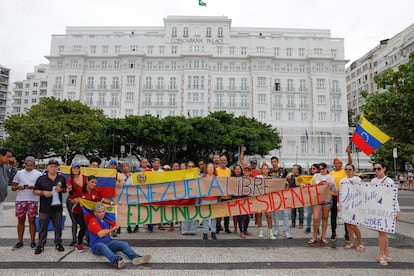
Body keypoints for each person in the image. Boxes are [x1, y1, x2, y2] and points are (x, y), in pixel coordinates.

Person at [88, 203, 151, 269]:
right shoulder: (93, 221)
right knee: (102, 246)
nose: (102, 213)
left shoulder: (106, 220)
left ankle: (135, 258)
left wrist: (114, 228)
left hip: (108, 241)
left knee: (123, 244)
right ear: (95, 213)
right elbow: (100, 234)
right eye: (99, 212)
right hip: (96, 245)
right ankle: (117, 261)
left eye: (103, 211)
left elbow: (110, 231)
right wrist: (112, 229)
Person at [33, 159, 69, 254]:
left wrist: (61, 189)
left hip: (57, 208)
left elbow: (65, 189)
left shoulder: (61, 178)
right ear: (48, 167)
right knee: (43, 227)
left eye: (55, 166)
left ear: (58, 168)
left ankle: (58, 243)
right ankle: (41, 245)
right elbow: (35, 191)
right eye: (51, 166)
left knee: (58, 227)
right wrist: (43, 192)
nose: (53, 168)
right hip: (45, 208)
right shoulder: (41, 178)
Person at [370, 162, 401, 266]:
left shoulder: (389, 181)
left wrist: (397, 210)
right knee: (383, 232)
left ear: (384, 169)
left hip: (387, 210)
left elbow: (394, 198)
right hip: (377, 210)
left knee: (382, 232)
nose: (376, 171)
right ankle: (386, 253)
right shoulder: (373, 181)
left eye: (379, 168)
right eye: (375, 169)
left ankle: (381, 255)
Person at [10, 156, 43, 250]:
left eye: (31, 165)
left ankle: (32, 241)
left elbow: (41, 187)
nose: (29, 167)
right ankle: (20, 241)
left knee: (32, 221)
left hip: (33, 200)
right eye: (27, 165)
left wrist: (34, 187)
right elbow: (13, 187)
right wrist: (18, 187)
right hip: (20, 199)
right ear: (24, 164)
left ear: (34, 165)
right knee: (20, 220)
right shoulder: (19, 173)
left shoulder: (39, 174)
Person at [308, 162, 337, 245]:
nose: (321, 170)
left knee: (325, 218)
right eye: (320, 169)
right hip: (317, 199)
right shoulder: (316, 176)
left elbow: (335, 190)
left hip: (327, 199)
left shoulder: (330, 177)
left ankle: (323, 237)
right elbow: (309, 185)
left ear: (326, 168)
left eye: (323, 168)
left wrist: (331, 185)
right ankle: (314, 236)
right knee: (316, 218)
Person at [339, 164, 364, 252]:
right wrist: (339, 204)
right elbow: (341, 193)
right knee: (348, 225)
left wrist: (354, 183)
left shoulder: (357, 179)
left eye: (349, 169)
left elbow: (361, 190)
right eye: (346, 169)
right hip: (346, 205)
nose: (347, 171)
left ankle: (360, 243)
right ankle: (352, 242)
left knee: (354, 225)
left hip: (355, 205)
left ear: (353, 170)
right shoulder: (342, 180)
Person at [329, 145, 352, 241]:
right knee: (333, 215)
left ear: (341, 164)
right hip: (333, 196)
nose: (338, 164)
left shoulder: (344, 171)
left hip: (344, 197)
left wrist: (348, 153)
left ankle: (347, 233)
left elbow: (350, 163)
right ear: (334, 164)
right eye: (336, 163)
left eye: (339, 163)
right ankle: (333, 232)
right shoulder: (331, 174)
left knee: (345, 215)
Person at [269, 156, 292, 239]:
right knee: (275, 213)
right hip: (274, 195)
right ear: (271, 163)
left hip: (283, 194)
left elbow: (288, 180)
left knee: (285, 213)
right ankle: (276, 230)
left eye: (275, 161)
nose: (274, 163)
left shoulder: (283, 170)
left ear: (277, 162)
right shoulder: (269, 172)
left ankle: (286, 231)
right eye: (272, 162)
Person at [65, 162, 87, 247]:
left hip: (83, 201)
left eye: (77, 168)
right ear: (71, 169)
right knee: (74, 221)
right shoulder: (69, 179)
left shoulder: (85, 178)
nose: (76, 170)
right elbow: (68, 186)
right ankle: (74, 239)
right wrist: (68, 188)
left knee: (85, 221)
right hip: (72, 202)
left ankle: (83, 238)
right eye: (74, 168)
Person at [255, 163, 276, 239]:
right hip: (259, 198)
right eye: (263, 169)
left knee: (269, 215)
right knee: (259, 215)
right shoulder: (258, 177)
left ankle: (270, 232)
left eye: (266, 169)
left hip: (268, 199)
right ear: (261, 170)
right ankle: (260, 231)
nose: (265, 170)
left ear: (268, 170)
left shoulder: (271, 179)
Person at [200, 162, 218, 240]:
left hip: (214, 199)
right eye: (209, 167)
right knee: (205, 217)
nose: (211, 169)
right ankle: (205, 233)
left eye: (212, 167)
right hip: (205, 199)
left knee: (214, 217)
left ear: (214, 169)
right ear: (206, 169)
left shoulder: (217, 178)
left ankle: (213, 232)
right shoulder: (202, 177)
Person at [215, 155, 232, 234]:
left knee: (227, 213)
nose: (223, 161)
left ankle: (226, 227)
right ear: (219, 161)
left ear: (227, 161)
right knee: (219, 212)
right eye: (222, 160)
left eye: (224, 160)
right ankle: (218, 227)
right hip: (219, 195)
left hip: (228, 195)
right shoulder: (216, 170)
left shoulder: (229, 170)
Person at [121, 162, 138, 234]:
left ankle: (136, 225)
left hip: (132, 195)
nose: (125, 168)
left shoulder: (133, 175)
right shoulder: (120, 176)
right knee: (126, 212)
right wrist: (126, 177)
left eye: (126, 166)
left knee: (133, 211)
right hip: (124, 195)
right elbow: (121, 184)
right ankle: (128, 226)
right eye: (124, 166)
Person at [287, 164, 304, 229]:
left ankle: (301, 223)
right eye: (293, 168)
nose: (293, 170)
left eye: (294, 168)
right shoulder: (290, 176)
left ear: (298, 170)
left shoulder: (301, 177)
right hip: (293, 196)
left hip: (300, 196)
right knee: (293, 210)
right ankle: (293, 223)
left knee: (300, 210)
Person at [0, 148, 14, 224]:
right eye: (8, 156)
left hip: (1, 199)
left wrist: (14, 168)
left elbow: (11, 180)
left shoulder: (5, 167)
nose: (10, 159)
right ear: (0, 156)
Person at [305, 163, 319, 234]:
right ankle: (308, 227)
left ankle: (317, 228)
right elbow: (308, 184)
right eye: (311, 168)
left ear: (317, 169)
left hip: (317, 199)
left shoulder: (319, 177)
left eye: (314, 168)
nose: (312, 170)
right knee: (309, 214)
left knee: (317, 215)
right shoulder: (311, 177)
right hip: (310, 198)